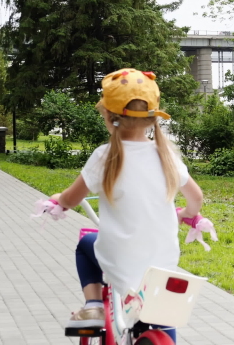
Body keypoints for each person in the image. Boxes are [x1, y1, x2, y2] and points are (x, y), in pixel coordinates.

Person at [49, 68, 204, 343]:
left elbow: (71, 199)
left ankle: (93, 307)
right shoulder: (166, 156)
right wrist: (187, 214)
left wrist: (58, 201)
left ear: (109, 116)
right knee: (160, 310)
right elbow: (197, 199)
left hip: (120, 262)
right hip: (162, 265)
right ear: (154, 118)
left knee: (86, 244)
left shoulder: (104, 156)